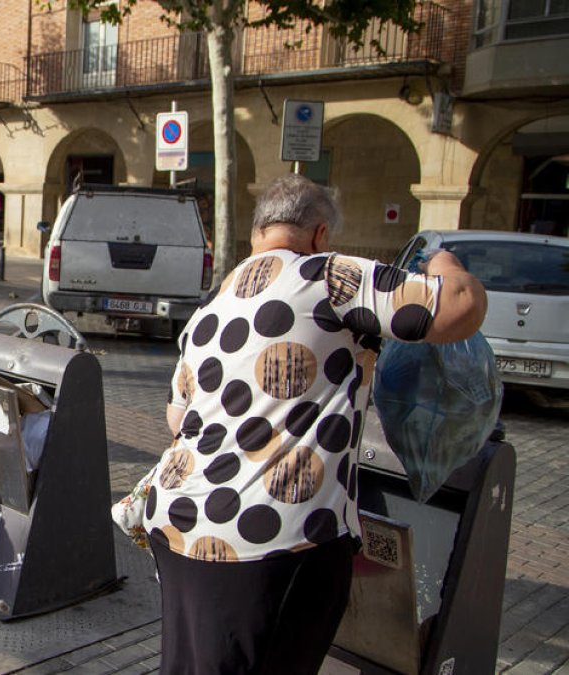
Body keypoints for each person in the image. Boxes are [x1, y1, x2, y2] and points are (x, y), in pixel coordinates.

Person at [114, 174, 487, 674]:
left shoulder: (214, 302)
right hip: (271, 541)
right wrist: (445, 263)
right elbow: (458, 306)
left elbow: (177, 416)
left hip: (181, 525)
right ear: (319, 235)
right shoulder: (328, 276)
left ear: (257, 235)